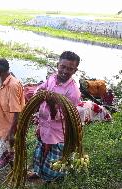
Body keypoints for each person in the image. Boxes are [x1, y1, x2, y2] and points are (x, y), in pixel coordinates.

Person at [28, 51, 81, 182]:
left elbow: (62, 117)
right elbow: (41, 88)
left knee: (53, 161)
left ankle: (51, 180)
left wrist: (52, 105)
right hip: (44, 127)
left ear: (75, 70)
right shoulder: (51, 78)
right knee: (40, 153)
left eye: (70, 68)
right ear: (58, 65)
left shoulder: (73, 92)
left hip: (58, 134)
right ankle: (38, 173)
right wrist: (39, 92)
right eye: (63, 66)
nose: (65, 71)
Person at [0, 58, 25, 168]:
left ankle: (16, 169)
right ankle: (14, 167)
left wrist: (11, 133)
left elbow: (17, 111)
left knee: (4, 156)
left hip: (6, 129)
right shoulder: (3, 81)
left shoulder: (12, 85)